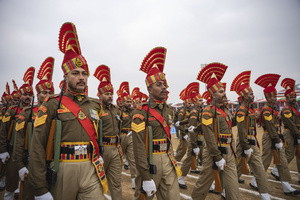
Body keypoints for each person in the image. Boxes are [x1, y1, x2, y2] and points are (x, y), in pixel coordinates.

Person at [29, 22, 107, 200]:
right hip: (63, 168)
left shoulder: (95, 105)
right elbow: (37, 146)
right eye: (75, 73)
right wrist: (40, 188)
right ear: (65, 76)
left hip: (91, 168)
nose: (81, 77)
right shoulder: (51, 104)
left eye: (84, 73)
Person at [132, 47, 181, 200]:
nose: (164, 88)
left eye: (164, 84)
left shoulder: (169, 110)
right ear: (149, 89)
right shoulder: (140, 113)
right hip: (150, 160)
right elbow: (139, 147)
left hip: (167, 157)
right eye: (159, 85)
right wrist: (146, 176)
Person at [191, 62, 240, 200]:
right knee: (204, 183)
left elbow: (229, 125)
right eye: (221, 92)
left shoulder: (224, 110)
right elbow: (208, 134)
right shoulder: (208, 111)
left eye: (224, 91)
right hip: (214, 152)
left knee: (232, 186)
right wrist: (217, 156)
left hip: (228, 151)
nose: (224, 94)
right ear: (212, 95)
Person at [11, 57, 55, 199]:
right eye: (44, 93)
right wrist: (19, 165)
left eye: (50, 93)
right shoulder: (27, 113)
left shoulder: (56, 112)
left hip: (51, 162)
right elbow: (19, 141)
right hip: (30, 162)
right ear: (38, 95)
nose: (47, 96)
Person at [255, 73, 300, 195]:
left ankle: (287, 187)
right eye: (273, 97)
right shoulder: (266, 110)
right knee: (265, 160)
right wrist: (277, 140)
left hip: (277, 137)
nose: (275, 99)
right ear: (268, 98)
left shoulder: (274, 110)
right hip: (270, 137)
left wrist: (278, 139)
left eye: (275, 97)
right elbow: (270, 127)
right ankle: (255, 180)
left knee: (283, 162)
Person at [231, 71, 270, 199]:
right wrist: (246, 147)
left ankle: (264, 195)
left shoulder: (250, 109)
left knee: (259, 169)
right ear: (244, 97)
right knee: (236, 170)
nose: (253, 96)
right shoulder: (242, 111)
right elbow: (242, 132)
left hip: (252, 143)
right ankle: (227, 189)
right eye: (251, 94)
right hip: (244, 144)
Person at [0, 68, 35, 199]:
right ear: (20, 95)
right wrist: (3, 150)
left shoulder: (34, 112)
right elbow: (3, 132)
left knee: (26, 186)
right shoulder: (12, 111)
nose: (27, 97)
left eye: (30, 95)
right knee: (11, 183)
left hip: (28, 152)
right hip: (14, 153)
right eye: (25, 94)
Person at [94, 64, 122, 199]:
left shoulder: (116, 109)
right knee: (98, 182)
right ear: (99, 95)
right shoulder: (96, 109)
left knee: (116, 182)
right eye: (107, 94)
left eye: (111, 93)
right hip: (102, 150)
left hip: (115, 148)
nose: (110, 96)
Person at [270, 78, 300, 183]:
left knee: (298, 155)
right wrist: (298, 135)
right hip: (290, 133)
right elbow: (291, 125)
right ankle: (276, 170)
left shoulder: (295, 109)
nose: (293, 99)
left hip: (296, 133)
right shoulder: (286, 110)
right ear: (286, 99)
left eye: (294, 97)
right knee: (289, 154)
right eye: (291, 97)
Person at [178, 82, 204, 189]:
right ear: (195, 103)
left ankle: (210, 182)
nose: (202, 102)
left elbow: (186, 121)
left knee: (205, 160)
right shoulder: (194, 112)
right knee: (189, 160)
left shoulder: (200, 111)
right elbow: (192, 129)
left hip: (201, 139)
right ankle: (180, 177)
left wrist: (180, 123)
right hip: (196, 140)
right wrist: (194, 145)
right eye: (200, 100)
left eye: (202, 100)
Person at [117, 81, 137, 189]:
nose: (130, 103)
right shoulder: (119, 111)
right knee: (117, 160)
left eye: (130, 101)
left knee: (133, 160)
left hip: (131, 137)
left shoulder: (133, 111)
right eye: (127, 101)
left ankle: (134, 181)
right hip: (121, 137)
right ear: (123, 102)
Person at [174, 87, 192, 161]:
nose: (190, 104)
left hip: (188, 132)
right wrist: (184, 134)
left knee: (181, 146)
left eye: (191, 103)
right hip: (184, 132)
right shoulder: (182, 111)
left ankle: (175, 157)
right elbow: (179, 124)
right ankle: (176, 160)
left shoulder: (189, 111)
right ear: (185, 103)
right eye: (189, 103)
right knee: (184, 149)